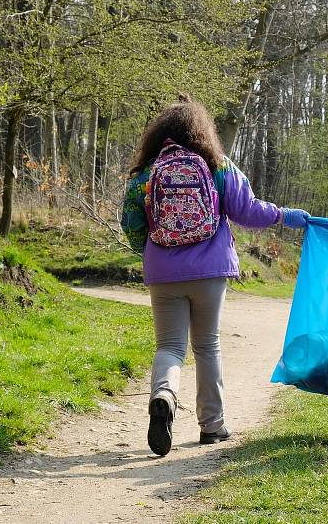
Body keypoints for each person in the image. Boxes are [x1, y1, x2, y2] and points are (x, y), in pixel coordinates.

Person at [122, 96, 310, 456]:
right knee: (207, 346)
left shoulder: (147, 173)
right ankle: (213, 425)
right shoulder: (217, 166)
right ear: (201, 130)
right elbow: (247, 210)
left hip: (163, 273)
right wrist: (285, 215)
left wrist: (149, 250)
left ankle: (163, 395)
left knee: (169, 347)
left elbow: (131, 223)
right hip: (210, 271)